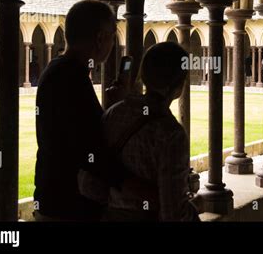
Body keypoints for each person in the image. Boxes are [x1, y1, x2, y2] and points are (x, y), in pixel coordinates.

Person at [82, 42, 202, 222]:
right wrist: (194, 207)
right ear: (179, 86)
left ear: (143, 76)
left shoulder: (113, 113)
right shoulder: (171, 134)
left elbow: (90, 185)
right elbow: (173, 214)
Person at [34, 0, 120, 221]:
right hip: (67, 206)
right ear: (100, 38)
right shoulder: (70, 77)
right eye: (113, 35)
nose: (113, 43)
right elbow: (91, 148)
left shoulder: (60, 70)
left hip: (54, 197)